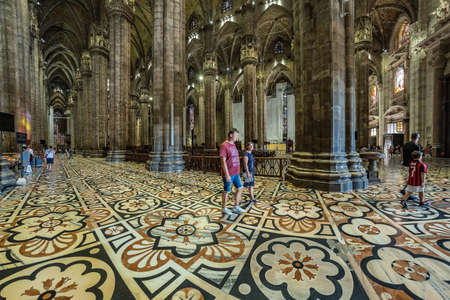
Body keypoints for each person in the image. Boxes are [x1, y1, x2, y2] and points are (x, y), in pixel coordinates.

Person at [220, 128, 245, 216]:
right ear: (231, 135)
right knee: (227, 191)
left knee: (240, 188)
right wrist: (227, 175)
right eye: (236, 135)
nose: (237, 137)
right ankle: (224, 208)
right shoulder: (224, 145)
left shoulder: (233, 145)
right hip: (229, 173)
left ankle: (236, 206)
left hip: (236, 173)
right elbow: (223, 161)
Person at [400, 133, 421, 197]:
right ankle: (407, 193)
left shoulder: (406, 144)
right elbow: (418, 157)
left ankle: (404, 190)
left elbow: (402, 154)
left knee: (409, 178)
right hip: (413, 165)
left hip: (406, 164)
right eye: (418, 138)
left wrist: (402, 161)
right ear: (417, 138)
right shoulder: (417, 146)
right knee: (412, 179)